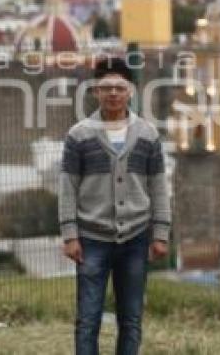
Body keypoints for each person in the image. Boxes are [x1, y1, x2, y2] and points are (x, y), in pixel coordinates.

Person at [58, 57, 171, 355]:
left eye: (119, 88)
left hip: (135, 238)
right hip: (92, 238)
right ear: (95, 91)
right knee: (88, 318)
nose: (112, 94)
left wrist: (160, 233)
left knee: (131, 319)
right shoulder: (79, 134)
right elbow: (67, 186)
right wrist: (70, 235)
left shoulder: (148, 134)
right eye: (105, 88)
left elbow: (159, 186)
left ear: (130, 90)